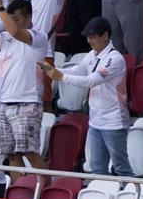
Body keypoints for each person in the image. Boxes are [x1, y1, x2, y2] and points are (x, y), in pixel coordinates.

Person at [43, 17, 131, 176]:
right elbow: (79, 70)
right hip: (96, 119)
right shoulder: (92, 54)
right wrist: (54, 70)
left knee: (121, 167)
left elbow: (92, 80)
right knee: (97, 167)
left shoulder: (115, 59)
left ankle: (132, 197)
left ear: (105, 36)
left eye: (93, 37)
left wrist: (61, 77)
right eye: (88, 37)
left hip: (114, 121)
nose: (89, 41)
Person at [0, 0, 49, 180]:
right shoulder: (6, 39)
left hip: (27, 102)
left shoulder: (38, 36)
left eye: (16, 19)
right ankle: (21, 193)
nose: (11, 23)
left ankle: (47, 192)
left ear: (28, 18)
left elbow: (17, 32)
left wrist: (1, 9)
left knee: (30, 154)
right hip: (4, 103)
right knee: (11, 155)